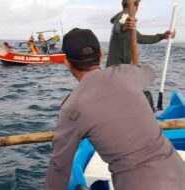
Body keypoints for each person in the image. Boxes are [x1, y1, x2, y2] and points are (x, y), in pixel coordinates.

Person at [44, 28, 185, 190]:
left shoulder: (71, 108)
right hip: (179, 173)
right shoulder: (127, 73)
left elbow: (59, 167)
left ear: (66, 62)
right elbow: (149, 73)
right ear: (101, 55)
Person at [106, 0, 176, 67]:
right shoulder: (124, 15)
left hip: (118, 69)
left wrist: (162, 36)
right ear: (137, 5)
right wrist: (123, 27)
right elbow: (119, 26)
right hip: (116, 71)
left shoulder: (123, 18)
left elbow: (141, 38)